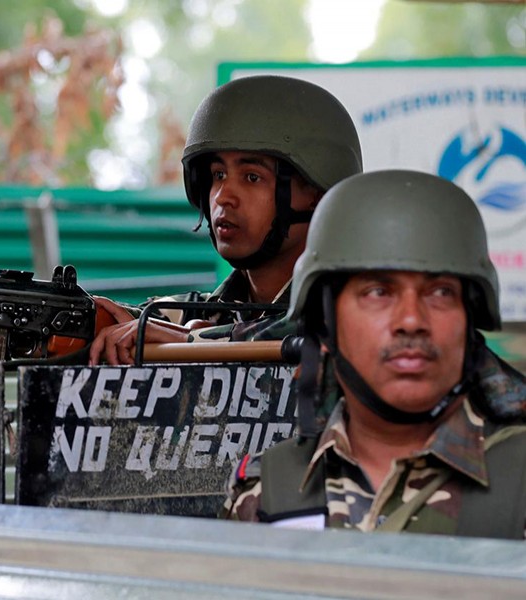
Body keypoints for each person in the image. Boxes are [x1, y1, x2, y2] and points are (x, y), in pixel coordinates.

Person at [224, 169, 526, 539]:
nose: (412, 320)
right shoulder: (268, 494)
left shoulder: (519, 479)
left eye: (441, 293)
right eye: (378, 293)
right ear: (326, 324)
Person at [89, 75, 362, 366]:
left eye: (252, 177)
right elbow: (141, 322)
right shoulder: (200, 315)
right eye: (218, 175)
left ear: (317, 194)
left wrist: (192, 342)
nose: (222, 197)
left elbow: (304, 328)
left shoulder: (361, 309)